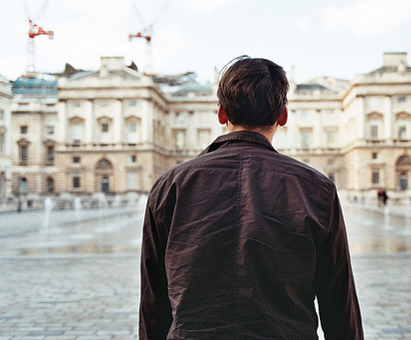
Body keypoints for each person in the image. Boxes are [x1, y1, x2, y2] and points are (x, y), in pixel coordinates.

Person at [139, 56, 363, 340]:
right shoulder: (317, 188)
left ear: (221, 114)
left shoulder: (168, 187)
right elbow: (339, 304)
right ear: (283, 116)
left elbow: (153, 303)